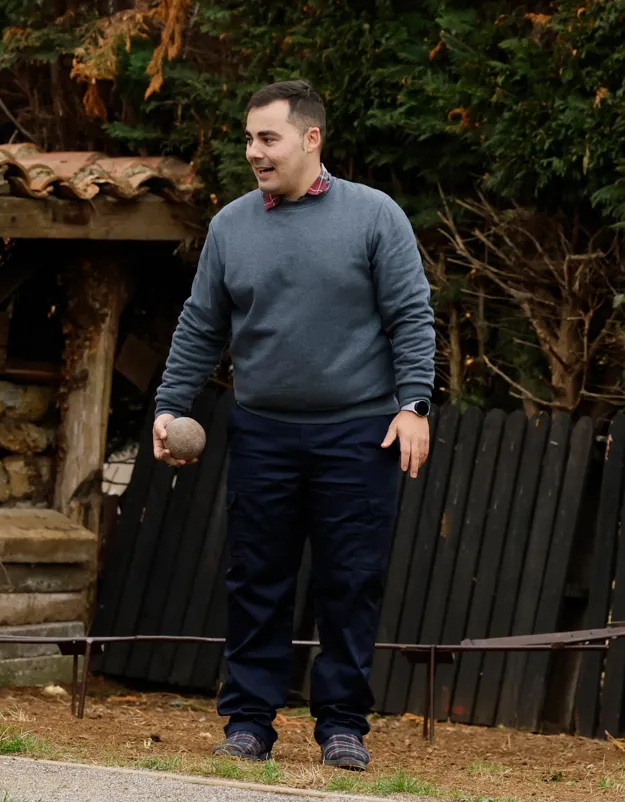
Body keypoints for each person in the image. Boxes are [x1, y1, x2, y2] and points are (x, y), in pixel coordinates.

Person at [151, 80, 435, 771]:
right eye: (248, 138)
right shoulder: (231, 226)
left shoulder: (375, 216)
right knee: (256, 581)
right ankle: (249, 722)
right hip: (262, 433)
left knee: (350, 583)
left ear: (311, 139)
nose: (253, 152)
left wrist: (414, 405)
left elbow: (410, 315)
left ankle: (342, 726)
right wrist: (169, 405)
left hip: (359, 434)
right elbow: (200, 325)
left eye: (267, 138)